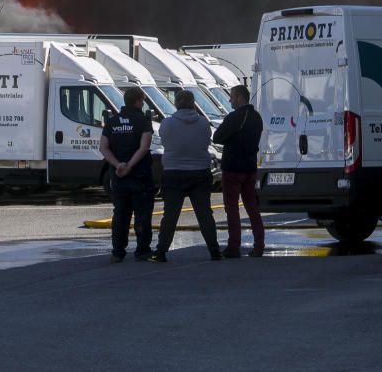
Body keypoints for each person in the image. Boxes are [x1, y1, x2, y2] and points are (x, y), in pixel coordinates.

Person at [149, 90, 223, 263]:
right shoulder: (204, 123)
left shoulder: (167, 123)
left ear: (176, 103)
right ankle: (214, 251)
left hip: (174, 172)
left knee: (170, 215)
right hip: (200, 172)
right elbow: (206, 141)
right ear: (193, 103)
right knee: (204, 213)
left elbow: (165, 142)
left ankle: (161, 252)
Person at [99, 86, 155, 263]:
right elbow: (144, 147)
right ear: (138, 101)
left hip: (119, 176)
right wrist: (130, 165)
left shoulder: (112, 121)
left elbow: (103, 147)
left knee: (120, 214)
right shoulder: (143, 121)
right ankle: (142, 251)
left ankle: (117, 252)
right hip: (140, 175)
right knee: (142, 214)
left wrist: (118, 165)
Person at [213, 84, 265, 258]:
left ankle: (234, 246)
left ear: (240, 97)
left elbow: (217, 137)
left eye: (232, 97)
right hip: (250, 167)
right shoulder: (257, 117)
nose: (230, 100)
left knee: (232, 208)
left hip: (233, 167)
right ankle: (259, 244)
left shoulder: (235, 117)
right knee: (252, 207)